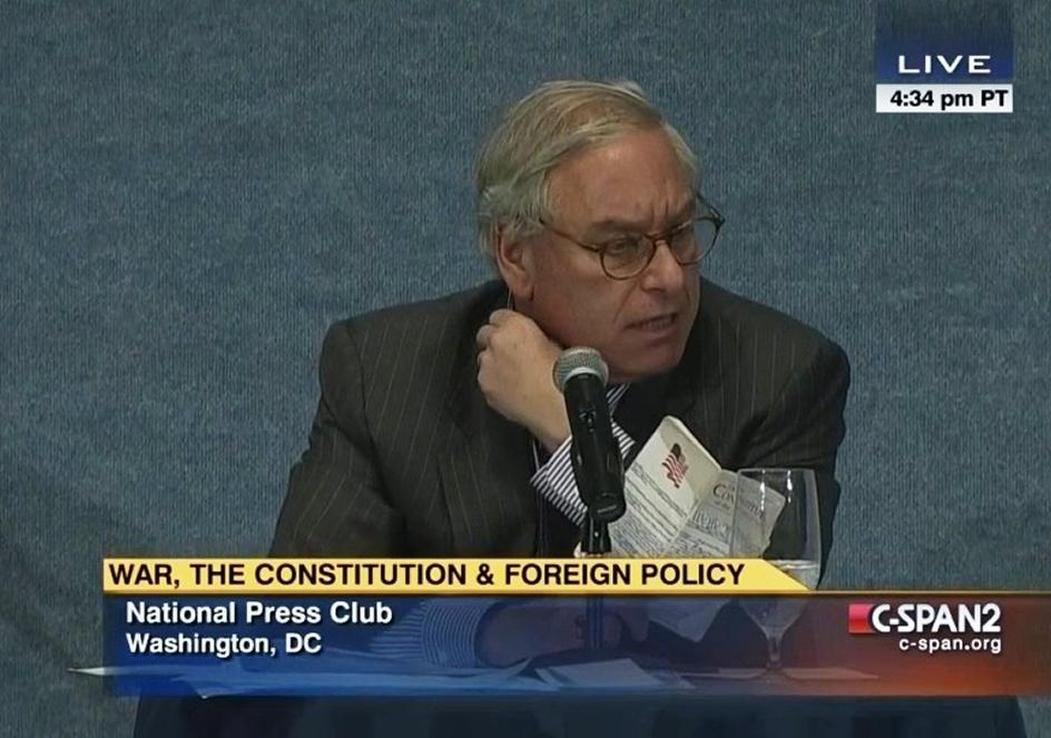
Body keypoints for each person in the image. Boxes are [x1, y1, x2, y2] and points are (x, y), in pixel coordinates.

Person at [135, 78, 852, 734]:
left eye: (682, 234)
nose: (668, 277)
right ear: (515, 255)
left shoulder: (780, 374)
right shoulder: (387, 371)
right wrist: (486, 637)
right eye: (621, 247)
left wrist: (567, 428)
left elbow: (748, 622)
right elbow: (311, 621)